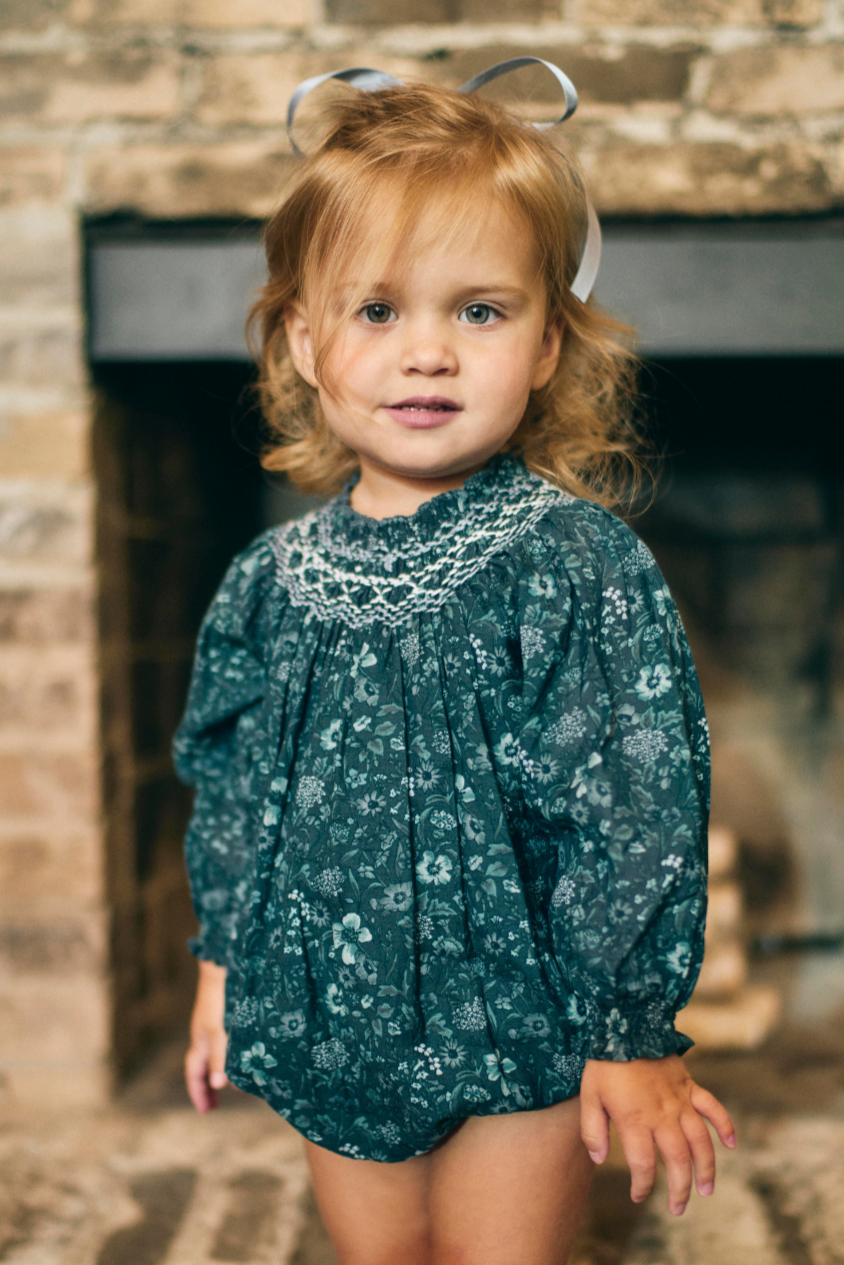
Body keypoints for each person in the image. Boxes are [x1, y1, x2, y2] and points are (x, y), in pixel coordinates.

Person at [175, 63, 735, 1265]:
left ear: (545, 345)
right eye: (378, 310)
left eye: (478, 310)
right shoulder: (266, 588)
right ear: (305, 341)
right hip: (331, 1021)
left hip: (518, 1019)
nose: (426, 351)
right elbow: (236, 801)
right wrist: (223, 967)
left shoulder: (572, 565)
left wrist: (629, 1029)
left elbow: (633, 805)